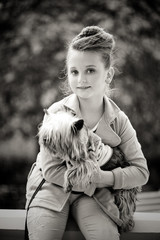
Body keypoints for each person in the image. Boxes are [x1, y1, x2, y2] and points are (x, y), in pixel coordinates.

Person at [25, 26, 149, 240]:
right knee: (44, 235)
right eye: (74, 71)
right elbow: (50, 170)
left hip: (95, 196)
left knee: (104, 235)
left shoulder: (119, 120)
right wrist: (89, 180)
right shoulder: (56, 113)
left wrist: (105, 178)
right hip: (51, 189)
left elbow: (141, 172)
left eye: (90, 70)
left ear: (108, 74)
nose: (81, 79)